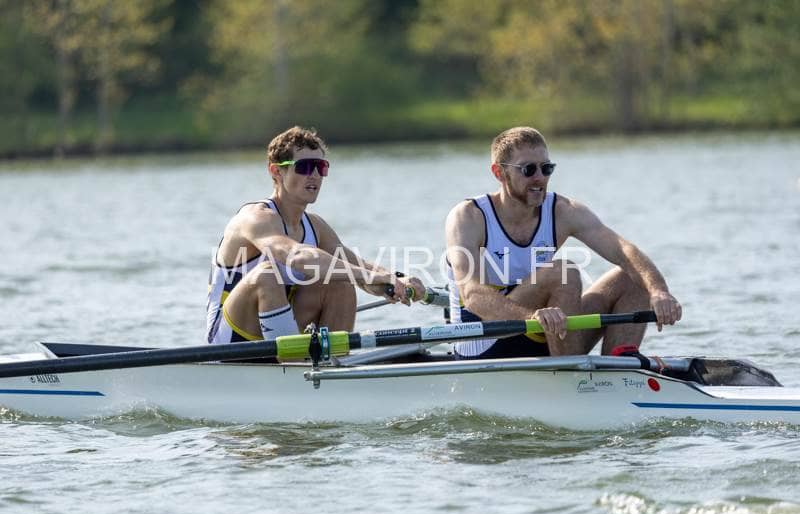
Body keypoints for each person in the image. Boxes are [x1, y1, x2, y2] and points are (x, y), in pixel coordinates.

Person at [445, 126, 681, 358]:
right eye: (528, 169)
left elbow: (622, 250)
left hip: (546, 330)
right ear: (499, 173)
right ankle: (571, 369)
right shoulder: (469, 217)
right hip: (484, 341)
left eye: (546, 168)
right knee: (563, 273)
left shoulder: (562, 211)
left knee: (633, 275)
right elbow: (473, 295)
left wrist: (659, 291)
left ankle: (620, 364)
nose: (540, 178)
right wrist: (531, 318)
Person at [207, 126, 424, 345]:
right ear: (276, 171)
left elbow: (360, 269)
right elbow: (297, 256)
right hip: (230, 339)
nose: (314, 175)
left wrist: (396, 280)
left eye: (320, 167)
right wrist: (370, 276)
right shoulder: (254, 218)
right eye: (304, 167)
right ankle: (293, 361)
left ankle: (333, 361)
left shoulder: (316, 226)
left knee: (341, 280)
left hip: (281, 337)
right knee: (267, 274)